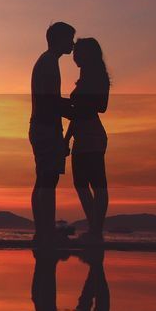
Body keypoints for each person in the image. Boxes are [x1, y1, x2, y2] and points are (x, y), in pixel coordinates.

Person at [30, 22, 76, 246]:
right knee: (48, 180)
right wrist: (75, 108)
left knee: (43, 180)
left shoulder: (47, 61)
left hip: (42, 126)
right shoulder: (48, 62)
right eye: (70, 39)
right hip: (46, 127)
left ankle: (42, 232)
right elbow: (49, 100)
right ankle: (45, 232)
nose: (73, 44)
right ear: (59, 39)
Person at [65, 37, 110, 242]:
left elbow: (100, 106)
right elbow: (77, 113)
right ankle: (95, 227)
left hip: (91, 134)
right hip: (82, 135)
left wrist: (70, 106)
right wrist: (66, 139)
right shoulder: (84, 78)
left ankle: (96, 229)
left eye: (77, 52)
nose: (74, 56)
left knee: (96, 183)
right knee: (81, 183)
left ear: (87, 54)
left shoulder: (96, 77)